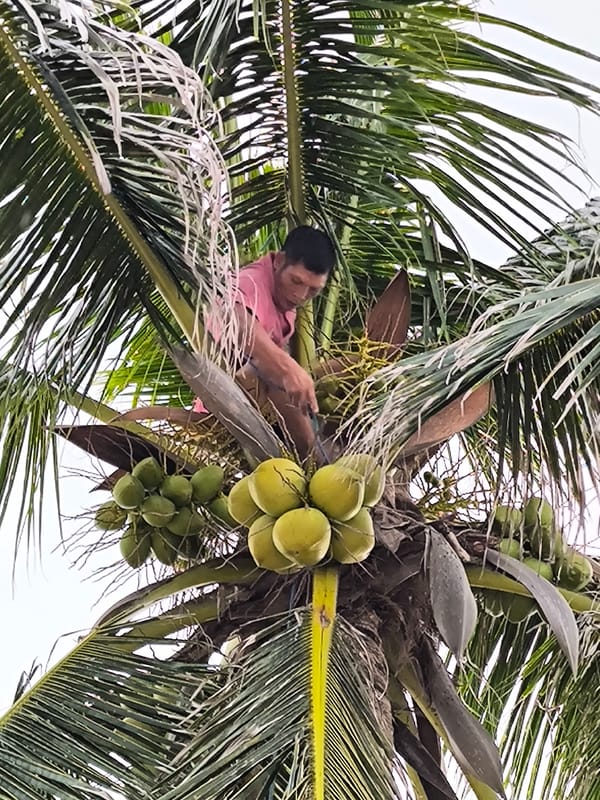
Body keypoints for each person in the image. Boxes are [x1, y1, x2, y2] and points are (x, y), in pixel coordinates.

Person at [194, 226, 336, 458]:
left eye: (313, 290)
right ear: (279, 261)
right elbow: (239, 324)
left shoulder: (283, 298)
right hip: (219, 423)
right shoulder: (249, 282)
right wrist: (287, 369)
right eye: (296, 281)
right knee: (271, 373)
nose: (301, 295)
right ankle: (313, 457)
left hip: (263, 424)